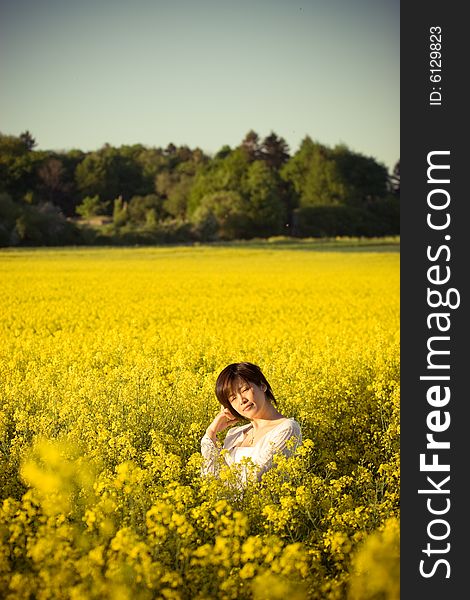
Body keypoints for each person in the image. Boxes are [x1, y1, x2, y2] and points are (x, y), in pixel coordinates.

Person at [201, 362, 302, 484]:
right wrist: (211, 433)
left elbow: (256, 479)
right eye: (233, 398)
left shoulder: (286, 429)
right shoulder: (235, 434)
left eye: (245, 389)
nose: (242, 400)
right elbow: (210, 480)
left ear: (262, 386)